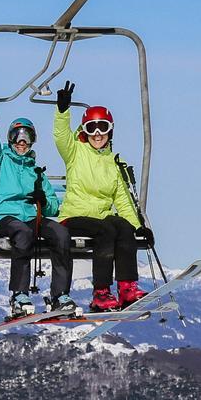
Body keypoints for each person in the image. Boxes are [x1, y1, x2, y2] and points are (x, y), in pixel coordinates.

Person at [52, 81, 154, 312]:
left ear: (110, 130)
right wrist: (62, 111)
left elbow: (122, 200)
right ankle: (101, 293)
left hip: (101, 217)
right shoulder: (75, 153)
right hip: (75, 216)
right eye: (92, 128)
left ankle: (127, 287)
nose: (97, 134)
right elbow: (61, 137)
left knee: (123, 226)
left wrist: (139, 227)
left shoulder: (112, 163)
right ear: (84, 131)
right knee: (106, 230)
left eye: (102, 127)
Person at [0, 93, 79, 320]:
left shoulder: (36, 171)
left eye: (26, 137)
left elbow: (53, 208)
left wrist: (43, 199)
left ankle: (60, 295)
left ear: (32, 140)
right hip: (6, 217)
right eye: (17, 136)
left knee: (61, 233)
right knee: (23, 233)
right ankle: (19, 294)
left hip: (32, 217)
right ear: (11, 139)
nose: (21, 142)